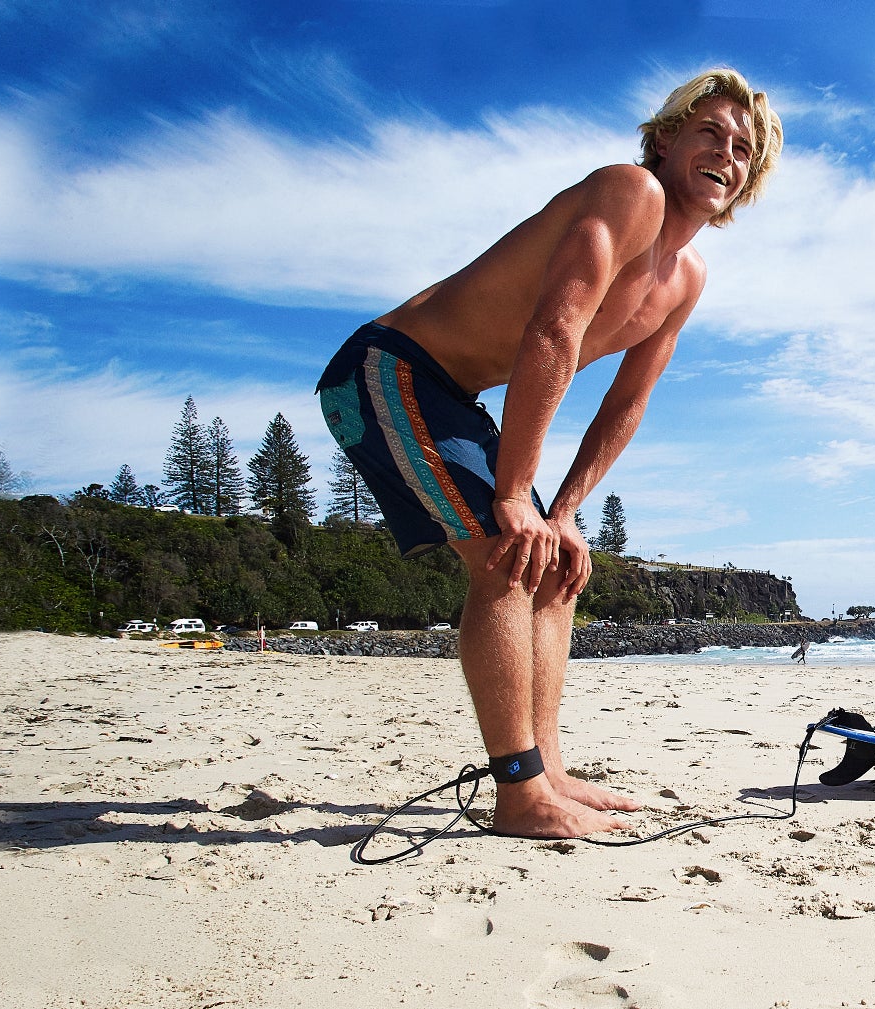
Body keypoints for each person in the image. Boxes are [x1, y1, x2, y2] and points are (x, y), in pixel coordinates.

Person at [317, 69, 781, 839]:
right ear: (666, 139)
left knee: (556, 567)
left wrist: (561, 511)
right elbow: (554, 331)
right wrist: (514, 492)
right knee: (505, 551)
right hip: (387, 368)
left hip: (452, 398)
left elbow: (627, 402)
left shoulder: (688, 276)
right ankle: (519, 792)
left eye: (742, 149)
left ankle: (548, 766)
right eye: (709, 132)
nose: (725, 154)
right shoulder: (631, 192)